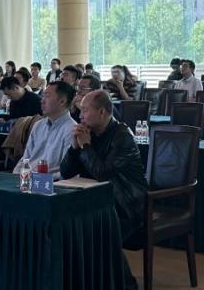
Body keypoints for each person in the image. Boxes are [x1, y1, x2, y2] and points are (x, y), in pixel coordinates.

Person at [60, 90, 147, 245]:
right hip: (95, 198)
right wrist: (74, 147)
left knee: (78, 226)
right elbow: (66, 173)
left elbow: (103, 174)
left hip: (125, 204)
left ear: (102, 112)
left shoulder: (123, 136)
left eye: (85, 111)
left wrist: (86, 146)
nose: (80, 116)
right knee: (62, 217)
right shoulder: (89, 133)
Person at [17, 81, 77, 174]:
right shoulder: (38, 125)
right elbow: (26, 158)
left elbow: (65, 171)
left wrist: (41, 179)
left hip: (49, 180)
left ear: (62, 101)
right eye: (43, 96)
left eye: (47, 96)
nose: (42, 100)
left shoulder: (72, 130)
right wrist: (15, 175)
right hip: (27, 177)